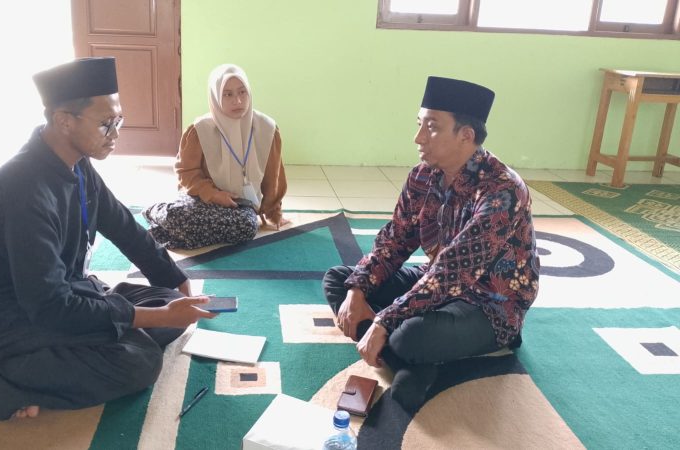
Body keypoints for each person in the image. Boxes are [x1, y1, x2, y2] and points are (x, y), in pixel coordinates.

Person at [0, 57, 217, 449]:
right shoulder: (23, 188)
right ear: (64, 121)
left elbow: (123, 226)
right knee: (139, 362)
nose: (115, 133)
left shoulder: (76, 166)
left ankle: (32, 372)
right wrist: (149, 317)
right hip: (6, 313)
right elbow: (49, 306)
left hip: (63, 293)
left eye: (118, 120)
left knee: (168, 307)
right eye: (105, 123)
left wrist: (174, 282)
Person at [322, 76, 540, 411]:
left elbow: (454, 272)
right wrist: (359, 290)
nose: (418, 137)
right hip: (435, 280)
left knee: (408, 335)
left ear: (466, 135)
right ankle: (412, 365)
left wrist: (383, 320)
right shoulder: (423, 175)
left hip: (489, 304)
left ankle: (406, 350)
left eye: (432, 127)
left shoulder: (503, 190)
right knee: (341, 282)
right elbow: (394, 240)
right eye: (419, 124)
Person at [143, 64, 289, 249]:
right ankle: (156, 211)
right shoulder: (200, 130)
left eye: (242, 92)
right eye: (227, 94)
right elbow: (186, 173)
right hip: (202, 199)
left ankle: (163, 231)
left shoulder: (267, 128)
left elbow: (274, 177)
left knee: (247, 227)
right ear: (215, 96)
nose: (237, 101)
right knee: (177, 215)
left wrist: (274, 212)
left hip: (239, 206)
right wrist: (213, 194)